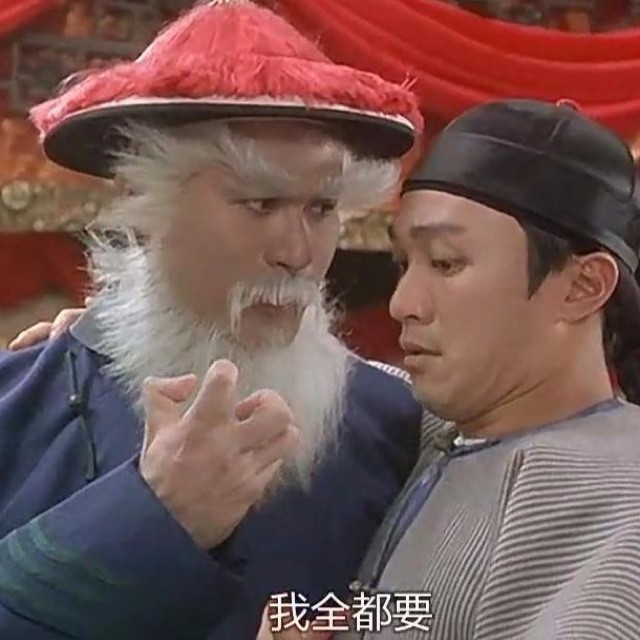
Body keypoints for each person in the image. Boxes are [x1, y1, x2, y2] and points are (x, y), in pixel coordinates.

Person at [0, 2, 431, 639]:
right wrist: (152, 516)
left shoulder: (399, 421)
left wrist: (327, 624)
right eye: (259, 203)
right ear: (140, 200)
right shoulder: (19, 405)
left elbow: (443, 607)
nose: (298, 253)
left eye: (321, 208)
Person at [331, 99, 640, 639]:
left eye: (446, 262)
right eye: (403, 264)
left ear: (582, 286)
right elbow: (427, 611)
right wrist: (306, 620)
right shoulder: (455, 436)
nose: (403, 302)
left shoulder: (612, 492)